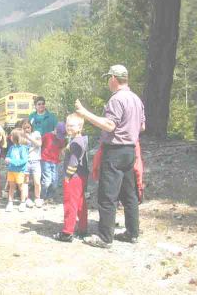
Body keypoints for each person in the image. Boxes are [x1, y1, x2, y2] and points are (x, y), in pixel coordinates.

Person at [75, 64, 145, 248]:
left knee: (107, 195)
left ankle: (105, 237)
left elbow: (109, 125)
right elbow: (142, 127)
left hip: (114, 151)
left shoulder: (116, 99)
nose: (108, 81)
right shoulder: (136, 99)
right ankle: (132, 233)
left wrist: (85, 113)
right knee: (129, 194)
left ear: (114, 78)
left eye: (108, 77)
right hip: (130, 151)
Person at [53, 114, 88, 242]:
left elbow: (73, 162)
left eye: (72, 125)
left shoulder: (75, 143)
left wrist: (67, 176)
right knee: (80, 203)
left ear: (80, 127)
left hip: (74, 177)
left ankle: (67, 232)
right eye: (67, 125)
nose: (68, 127)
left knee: (70, 204)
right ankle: (83, 229)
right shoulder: (81, 139)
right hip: (82, 176)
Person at [20, 119, 44, 208]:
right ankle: (27, 199)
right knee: (25, 182)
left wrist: (29, 138)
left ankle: (37, 198)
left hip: (36, 161)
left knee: (37, 182)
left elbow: (39, 144)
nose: (27, 129)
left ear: (31, 127)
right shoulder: (21, 136)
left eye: (28, 127)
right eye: (24, 128)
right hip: (26, 162)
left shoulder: (36, 133)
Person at [40, 122, 66, 200]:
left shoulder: (62, 139)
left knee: (55, 181)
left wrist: (63, 155)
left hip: (55, 162)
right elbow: (40, 145)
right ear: (55, 129)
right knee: (47, 181)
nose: (59, 137)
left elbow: (61, 148)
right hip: (45, 160)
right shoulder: (47, 136)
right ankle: (43, 196)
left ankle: (50, 196)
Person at [5, 128, 29, 212]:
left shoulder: (23, 148)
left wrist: (12, 161)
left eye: (12, 135)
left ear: (16, 137)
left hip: (20, 171)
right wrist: (7, 159)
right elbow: (7, 155)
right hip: (11, 170)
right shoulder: (11, 147)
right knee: (11, 187)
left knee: (21, 187)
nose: (10, 137)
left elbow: (24, 160)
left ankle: (23, 203)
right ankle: (10, 202)